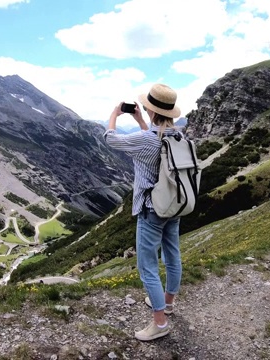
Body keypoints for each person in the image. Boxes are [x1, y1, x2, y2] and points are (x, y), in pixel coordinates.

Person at [103, 83, 182, 341]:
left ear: (150, 109)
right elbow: (156, 147)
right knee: (172, 254)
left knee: (147, 264)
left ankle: (159, 323)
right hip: (174, 204)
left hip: (151, 208)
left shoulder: (146, 139)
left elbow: (110, 139)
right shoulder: (179, 136)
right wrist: (140, 121)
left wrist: (115, 114)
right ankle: (167, 303)